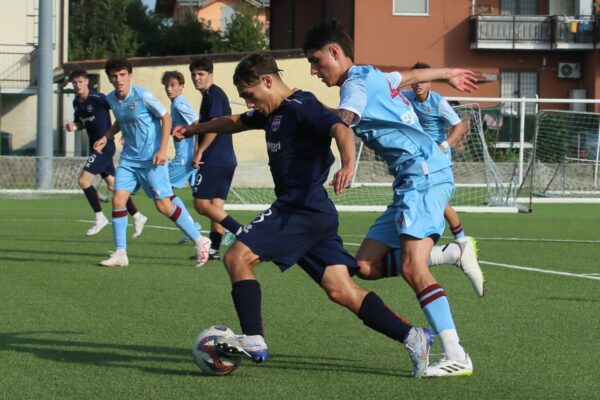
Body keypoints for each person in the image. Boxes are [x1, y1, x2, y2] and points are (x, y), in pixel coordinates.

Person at [173, 52, 435, 379]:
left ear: (267, 82)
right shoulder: (270, 113)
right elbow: (234, 122)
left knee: (236, 258)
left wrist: (349, 163)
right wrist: (195, 128)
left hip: (300, 207)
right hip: (314, 214)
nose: (249, 104)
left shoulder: (301, 105)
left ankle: (253, 336)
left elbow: (340, 127)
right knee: (341, 289)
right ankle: (413, 336)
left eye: (250, 96)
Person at [303, 20, 480, 377]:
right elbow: (411, 77)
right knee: (366, 266)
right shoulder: (372, 74)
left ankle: (456, 355)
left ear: (335, 52)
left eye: (316, 60)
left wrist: (301, 112)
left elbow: (347, 117)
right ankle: (452, 252)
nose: (314, 70)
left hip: (424, 176)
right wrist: (449, 73)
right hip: (409, 181)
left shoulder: (355, 84)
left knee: (414, 269)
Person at [93, 58, 211, 268]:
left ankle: (200, 239)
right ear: (109, 78)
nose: (118, 79)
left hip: (151, 159)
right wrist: (107, 136)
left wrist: (162, 150)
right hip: (129, 159)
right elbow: (121, 119)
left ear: (130, 75)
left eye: (122, 75)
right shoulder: (112, 98)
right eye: (114, 76)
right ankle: (121, 253)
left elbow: (165, 118)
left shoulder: (143, 95)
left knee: (164, 205)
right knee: (118, 200)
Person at [65, 69, 147, 237]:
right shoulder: (76, 103)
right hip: (95, 147)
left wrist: (125, 130)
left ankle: (99, 217)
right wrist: (74, 126)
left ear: (87, 82)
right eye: (75, 83)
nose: (78, 85)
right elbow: (81, 123)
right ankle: (138, 216)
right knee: (113, 186)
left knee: (83, 180)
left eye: (80, 81)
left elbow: (121, 110)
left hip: (105, 146)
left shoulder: (99, 98)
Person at [402, 62, 472, 244]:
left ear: (430, 83)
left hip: (437, 159)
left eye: (423, 80)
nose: (419, 84)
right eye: (416, 80)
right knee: (418, 195)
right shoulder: (408, 97)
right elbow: (390, 90)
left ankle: (462, 240)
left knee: (434, 199)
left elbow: (459, 126)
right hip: (420, 158)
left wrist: (444, 145)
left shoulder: (438, 102)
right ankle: (416, 237)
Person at [188, 57, 239, 260]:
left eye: (200, 74)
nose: (196, 78)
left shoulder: (214, 94)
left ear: (211, 75)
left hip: (216, 159)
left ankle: (241, 231)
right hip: (225, 159)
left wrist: (200, 150)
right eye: (193, 74)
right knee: (215, 205)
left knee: (201, 204)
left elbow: (216, 125)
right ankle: (215, 250)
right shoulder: (208, 96)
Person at [161, 70, 202, 239]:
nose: (169, 89)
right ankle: (230, 231)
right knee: (205, 202)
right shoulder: (176, 104)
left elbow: (197, 124)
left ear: (181, 87)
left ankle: (190, 224)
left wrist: (198, 152)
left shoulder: (179, 103)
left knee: (162, 188)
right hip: (190, 157)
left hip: (186, 159)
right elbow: (188, 127)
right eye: (167, 86)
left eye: (173, 85)